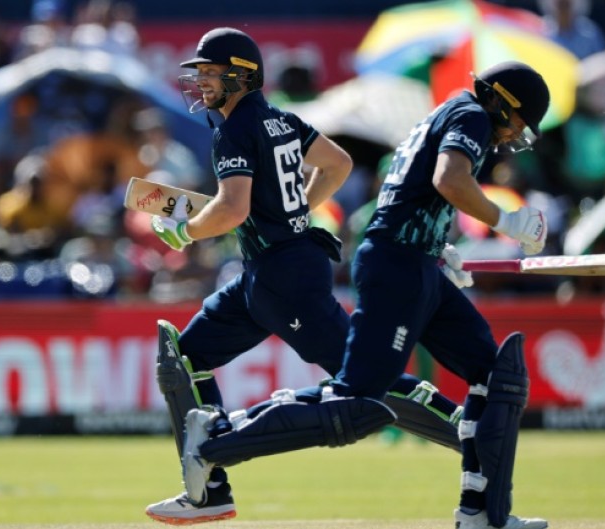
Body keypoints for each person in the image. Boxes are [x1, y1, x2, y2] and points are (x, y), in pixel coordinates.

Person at [174, 60, 552, 529]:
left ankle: (482, 515)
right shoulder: (471, 115)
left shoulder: (449, 112)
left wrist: (436, 243)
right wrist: (508, 221)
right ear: (499, 99)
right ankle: (216, 440)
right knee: (358, 404)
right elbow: (449, 180)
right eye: (516, 122)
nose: (511, 136)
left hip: (412, 259)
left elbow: (409, 191)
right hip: (398, 265)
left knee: (496, 377)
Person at [144, 27, 466, 525]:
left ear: (241, 76)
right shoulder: (279, 119)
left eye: (210, 73)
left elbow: (230, 209)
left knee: (364, 381)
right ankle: (209, 491)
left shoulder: (234, 128)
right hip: (270, 271)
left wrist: (186, 232)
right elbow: (336, 165)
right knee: (184, 360)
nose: (201, 83)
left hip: (285, 276)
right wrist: (293, 213)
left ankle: (469, 430)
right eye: (200, 74)